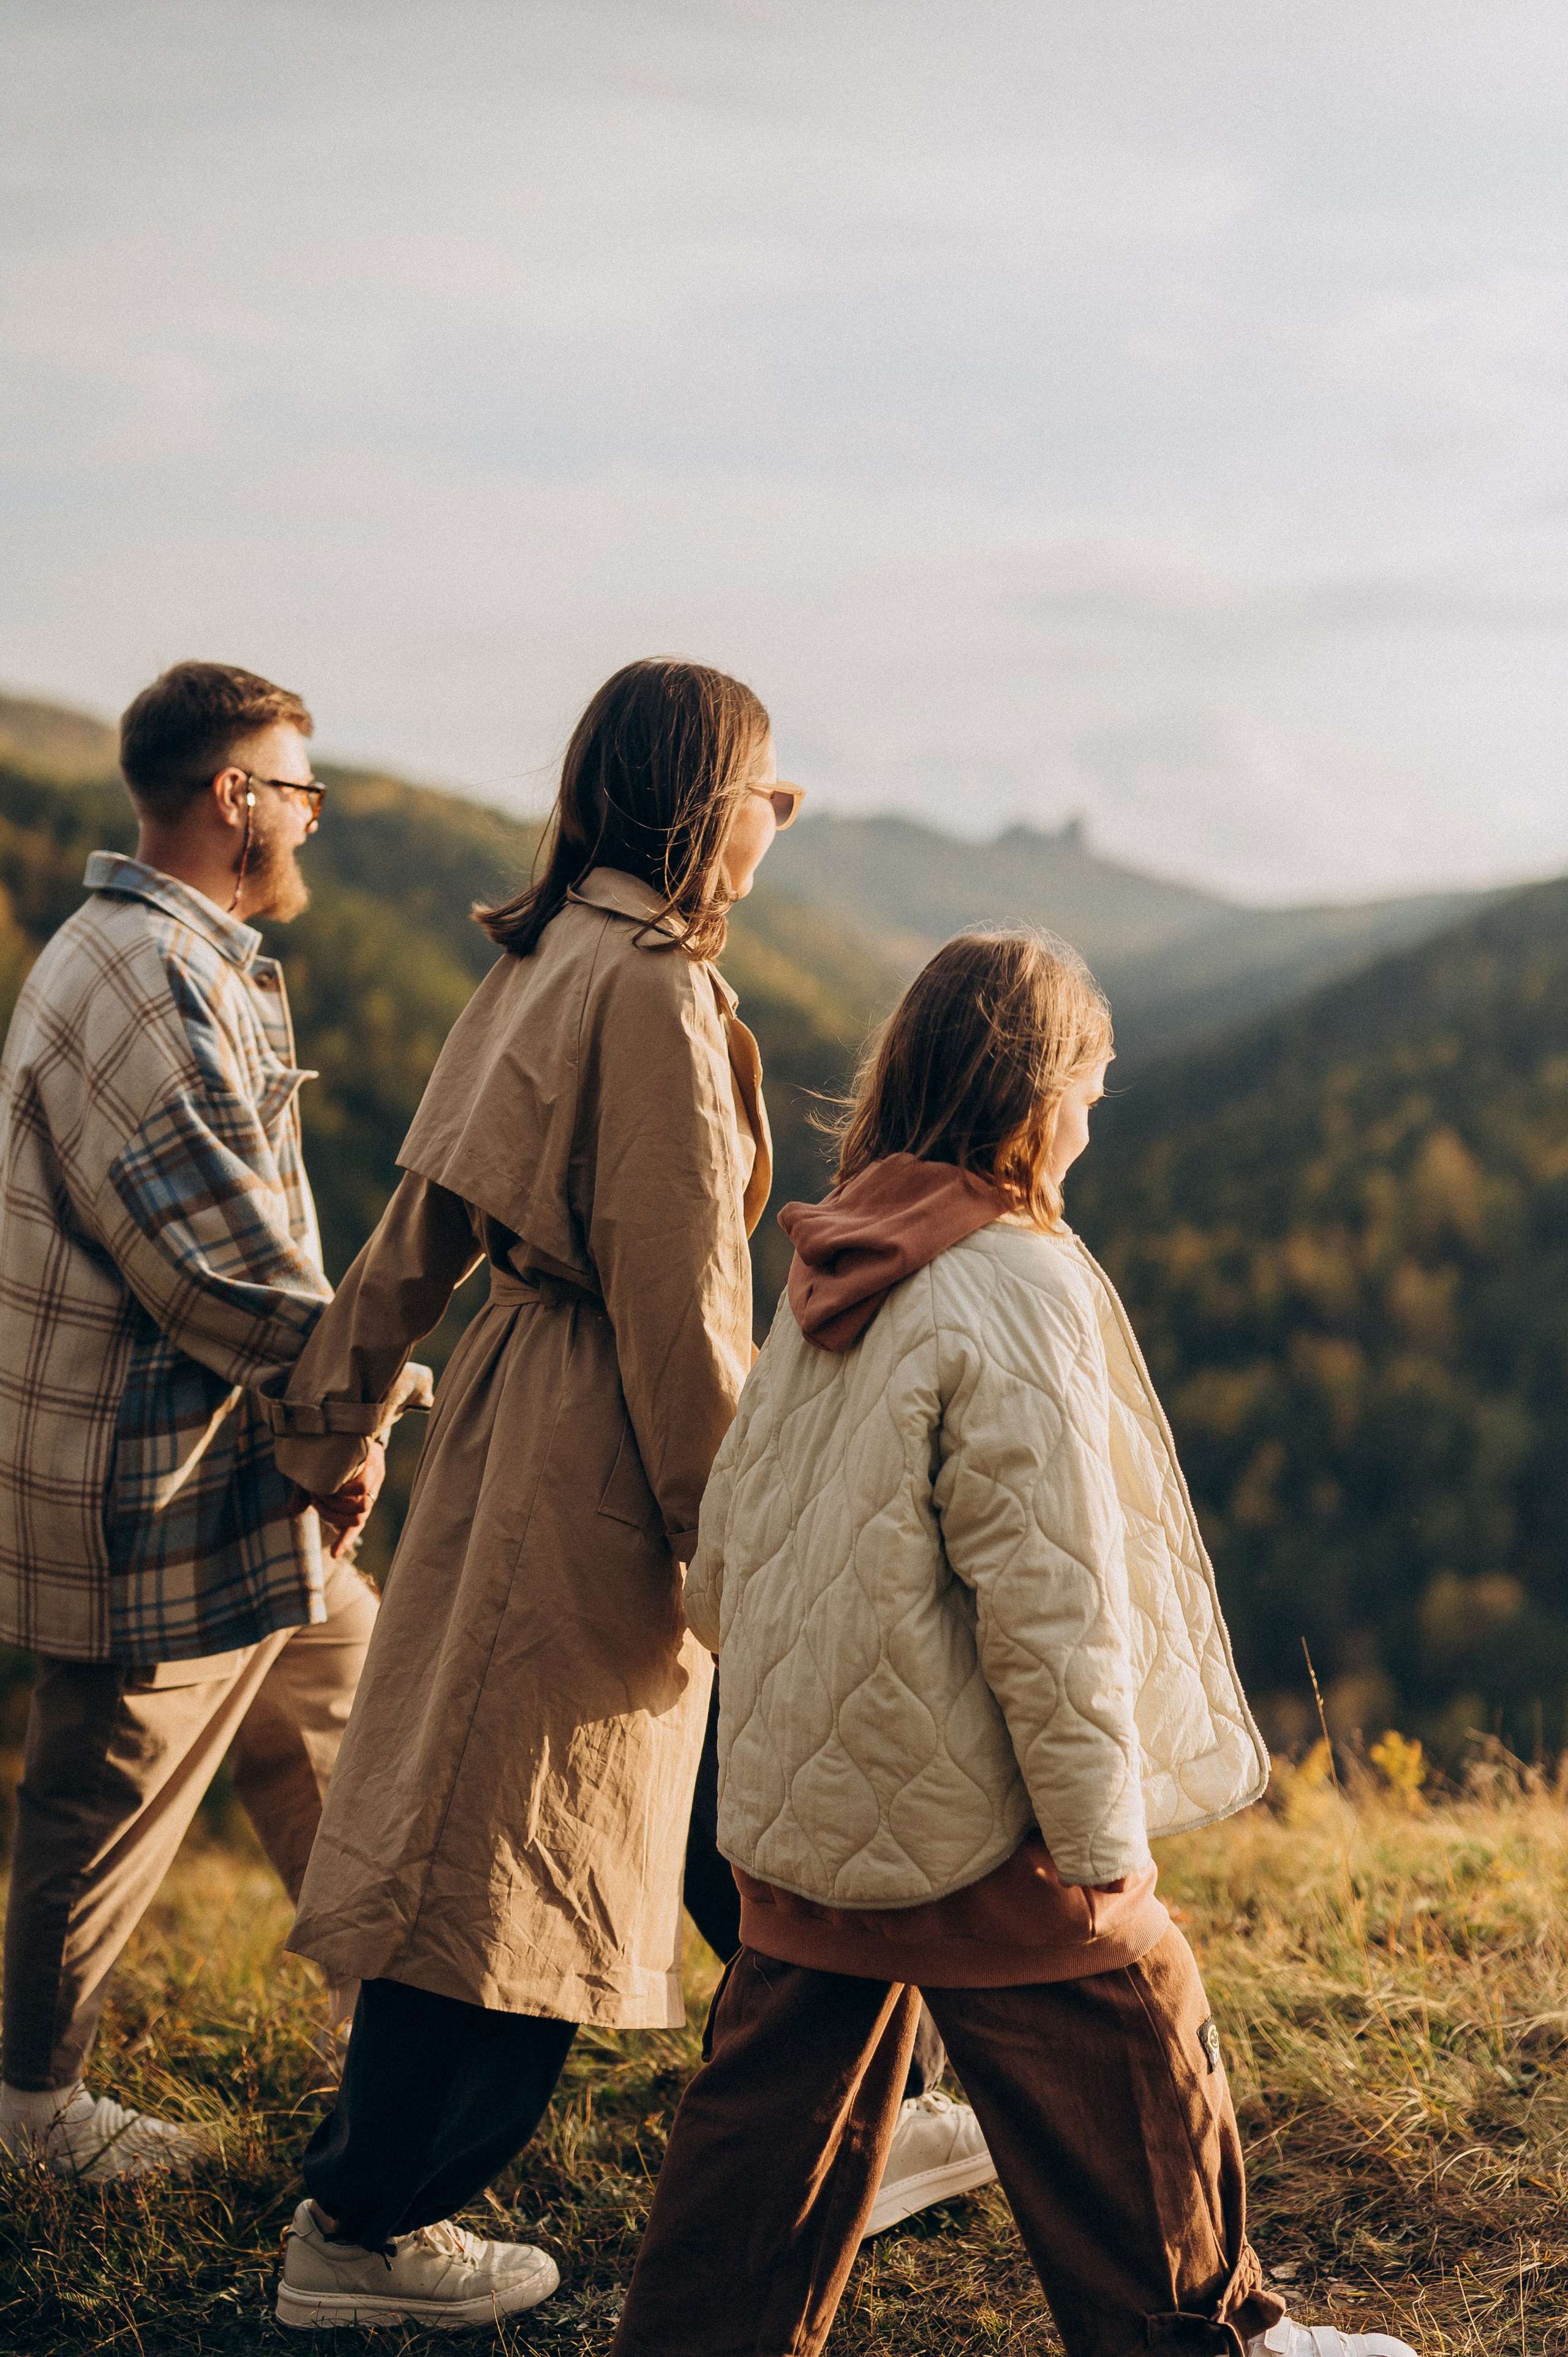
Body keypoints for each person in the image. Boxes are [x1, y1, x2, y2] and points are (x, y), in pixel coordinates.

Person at [608, 930, 1419, 2357]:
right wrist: (1096, 1842)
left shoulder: (827, 1267)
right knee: (1133, 2018)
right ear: (1032, 1098)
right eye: (1090, 1087)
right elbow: (1050, 1597)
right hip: (960, 1812)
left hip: (804, 1796)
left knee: (774, 2103)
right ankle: (1216, 2338)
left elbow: (722, 1560)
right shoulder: (1012, 1282)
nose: (1097, 1116)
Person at [262, 657, 786, 2331]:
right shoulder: (648, 984)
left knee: (706, 1799)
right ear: (713, 805)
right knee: (520, 1857)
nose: (778, 828)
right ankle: (364, 2224)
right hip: (597, 1449)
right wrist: (737, 1543)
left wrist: (332, 1414)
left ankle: (858, 2072)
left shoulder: (550, 950)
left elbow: (418, 1216)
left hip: (525, 1415)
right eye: (770, 796)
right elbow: (683, 1289)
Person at [0, 661, 420, 2180]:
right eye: (297, 789)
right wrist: (360, 1398)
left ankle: (395, 2059)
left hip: (235, 1471)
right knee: (103, 1782)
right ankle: (36, 2113)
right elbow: (218, 1266)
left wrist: (326, 1432)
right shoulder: (138, 975)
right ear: (233, 795)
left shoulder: (180, 957)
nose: (312, 820)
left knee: (352, 1721)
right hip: (152, 1482)